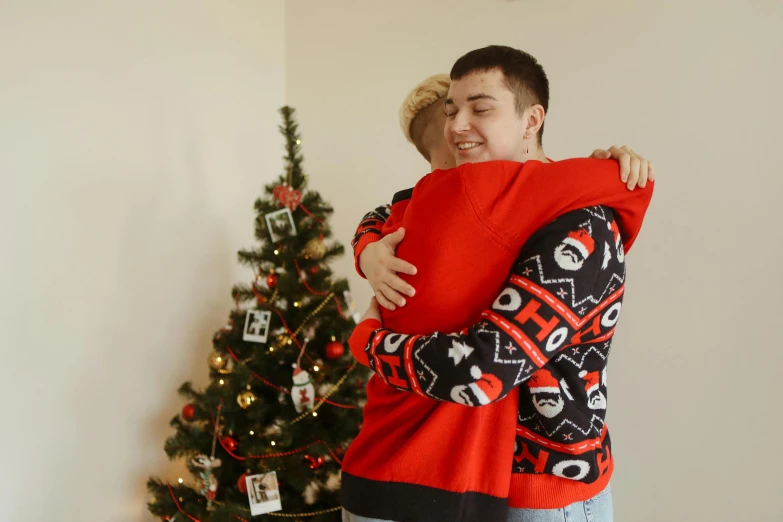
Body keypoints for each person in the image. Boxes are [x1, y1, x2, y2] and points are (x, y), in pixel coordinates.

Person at [341, 46, 654, 522]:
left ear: (531, 120)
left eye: (480, 109)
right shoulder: (481, 206)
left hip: (546, 493)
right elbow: (395, 208)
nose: (457, 126)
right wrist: (368, 249)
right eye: (452, 111)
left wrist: (368, 342)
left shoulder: (578, 222)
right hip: (472, 488)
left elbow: (483, 369)